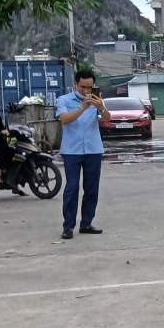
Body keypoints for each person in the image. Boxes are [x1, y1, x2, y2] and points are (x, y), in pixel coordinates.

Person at [55, 69, 108, 240]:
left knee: (91, 189)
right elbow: (64, 119)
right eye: (83, 87)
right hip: (72, 151)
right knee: (72, 188)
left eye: (89, 87)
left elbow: (107, 119)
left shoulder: (96, 100)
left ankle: (86, 223)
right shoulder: (63, 100)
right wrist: (83, 107)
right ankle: (68, 226)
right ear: (75, 84)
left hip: (93, 149)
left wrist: (101, 108)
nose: (86, 91)